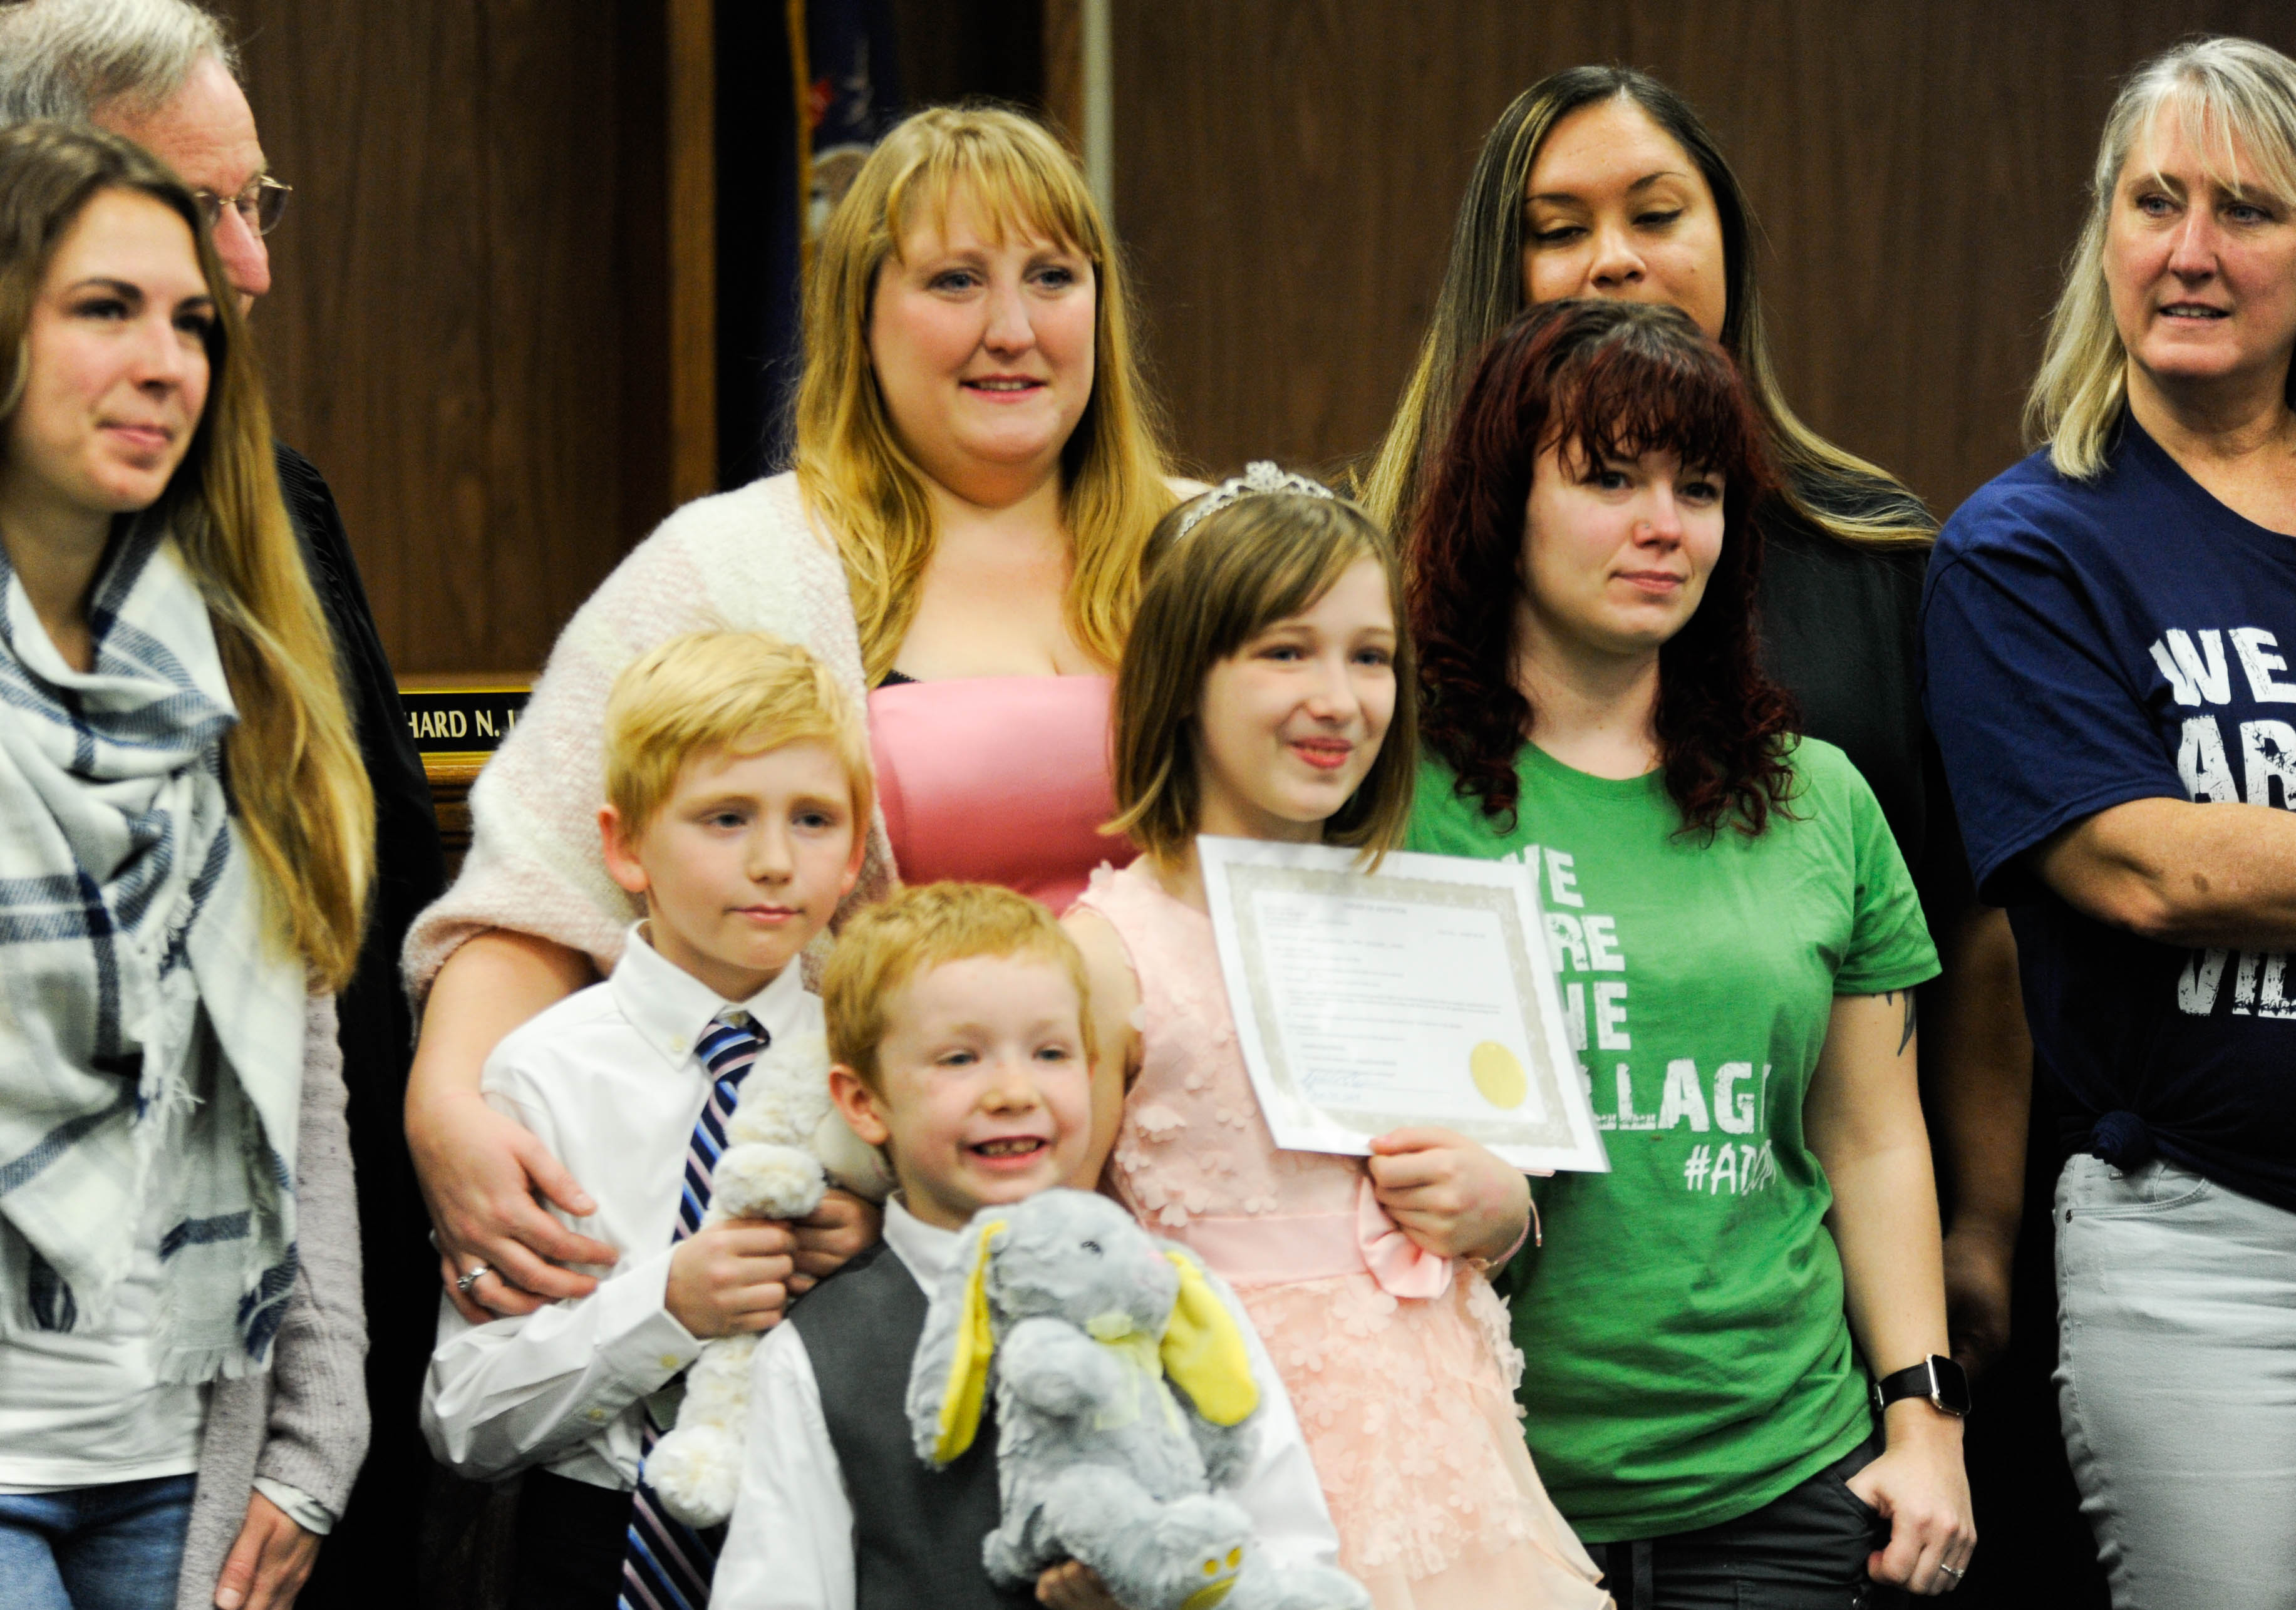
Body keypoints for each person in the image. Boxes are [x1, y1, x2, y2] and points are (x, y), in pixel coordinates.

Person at [402, 103, 1181, 1328]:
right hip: (871, 1244)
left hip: (1197, 1221)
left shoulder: (1216, 556)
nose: (1013, 328)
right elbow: (539, 893)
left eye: (1052, 276)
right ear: (859, 314)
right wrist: (447, 1104)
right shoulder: (731, 568)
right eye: (956, 280)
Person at [1359, 65, 2030, 1388]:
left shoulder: (1881, 555)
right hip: (1468, 1319)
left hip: (1827, 1303)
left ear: (1728, 245)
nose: (1612, 259)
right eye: (1558, 229)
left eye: (1656, 213)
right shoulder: (1379, 576)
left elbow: (1971, 924)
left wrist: (1980, 1231)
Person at [1403, 299, 1973, 1605]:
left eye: (1699, 487)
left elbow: (1876, 1138)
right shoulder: (1393, 791)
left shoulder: (1820, 797)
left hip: (1780, 1484)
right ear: (1507, 501)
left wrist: (1923, 1419)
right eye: (1609, 479)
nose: (1664, 523)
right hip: (1480, 1477)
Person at [0, 10, 448, 1600]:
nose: (249, 272)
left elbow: (333, 989)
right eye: (206, 211)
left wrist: (321, 1443)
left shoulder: (277, 521)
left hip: (214, 1428)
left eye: (259, 212)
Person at [1061, 467, 1608, 1609]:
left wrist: (1500, 1208)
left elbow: (1488, 1203)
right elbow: (1051, 1258)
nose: (1339, 697)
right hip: (1234, 1457)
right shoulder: (1109, 957)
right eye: (1283, 651)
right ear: (1181, 676)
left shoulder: (1423, 925)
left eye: (1369, 658)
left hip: (1445, 1460)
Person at [1921, 37, 2296, 1610]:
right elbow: (2142, 867)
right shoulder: (2027, 548)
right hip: (2206, 1250)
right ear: (2103, 238)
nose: (2190, 249)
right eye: (2154, 201)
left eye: (2246, 208)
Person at [710, 880, 1345, 1610]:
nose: (1014, 1090)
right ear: (864, 1102)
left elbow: (1290, 1550)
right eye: (959, 1059)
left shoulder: (1174, 1300)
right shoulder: (818, 1354)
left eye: (1050, 1053)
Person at [421, 632, 874, 1609]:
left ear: (855, 851)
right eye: (724, 817)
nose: (772, 860)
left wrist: (879, 1252)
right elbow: (463, 1416)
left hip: (830, 1538)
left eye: (812, 819)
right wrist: (665, 1306)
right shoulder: (543, 1073)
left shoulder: (877, 1065)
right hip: (590, 1547)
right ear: (626, 846)